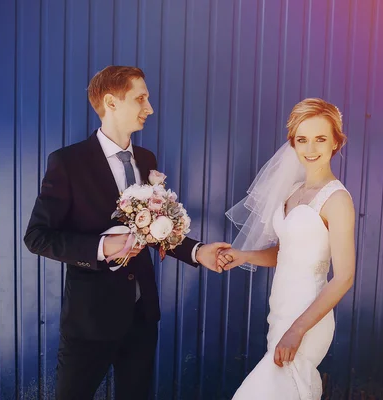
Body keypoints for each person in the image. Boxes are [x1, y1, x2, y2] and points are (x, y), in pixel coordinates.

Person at [23, 65, 229, 399]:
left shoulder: (146, 159)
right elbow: (37, 236)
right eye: (141, 99)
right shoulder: (67, 162)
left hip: (141, 315)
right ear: (111, 102)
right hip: (89, 320)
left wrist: (197, 251)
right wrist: (104, 247)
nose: (149, 108)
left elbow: (156, 228)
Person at [218, 98, 356, 399]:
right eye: (302, 139)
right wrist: (244, 254)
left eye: (320, 139)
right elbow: (286, 253)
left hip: (306, 317)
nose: (310, 149)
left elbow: (344, 277)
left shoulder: (337, 200)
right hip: (280, 311)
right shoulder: (293, 191)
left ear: (336, 142)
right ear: (292, 143)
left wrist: (297, 330)